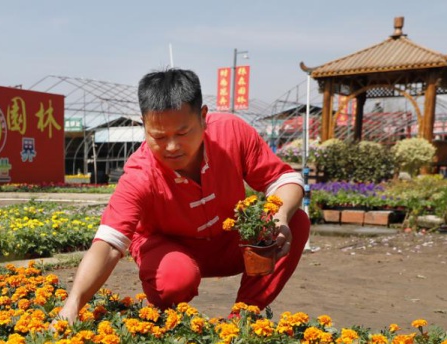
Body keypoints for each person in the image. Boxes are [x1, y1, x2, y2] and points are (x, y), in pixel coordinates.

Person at [57, 68, 309, 323]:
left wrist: (281, 215)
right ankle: (168, 320)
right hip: (168, 251)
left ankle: (242, 319)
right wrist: (72, 305)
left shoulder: (232, 133)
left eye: (182, 133)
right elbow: (109, 244)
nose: (172, 147)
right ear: (144, 126)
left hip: (229, 242)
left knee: (295, 221)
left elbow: (284, 179)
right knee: (175, 279)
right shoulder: (139, 173)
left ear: (203, 116)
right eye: (158, 136)